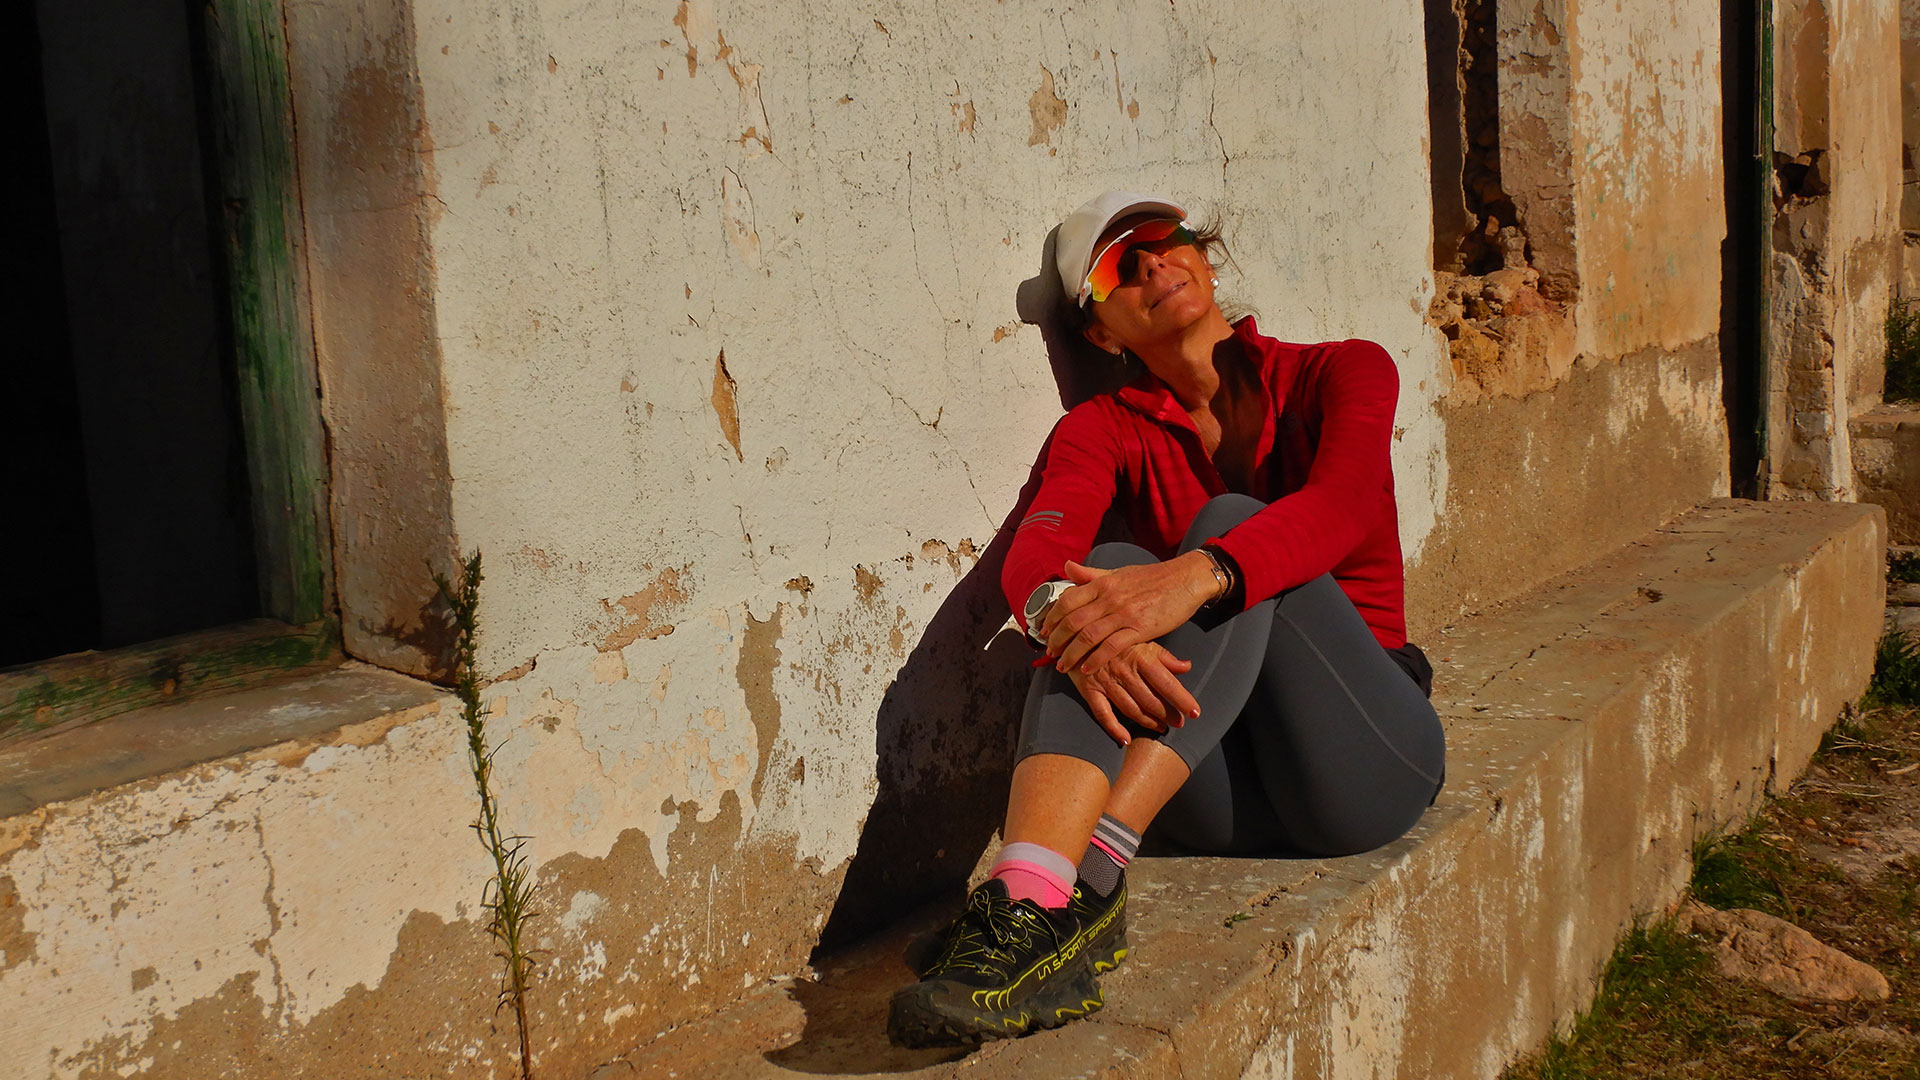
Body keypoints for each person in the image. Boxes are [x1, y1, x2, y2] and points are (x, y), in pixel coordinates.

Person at [885, 192, 1447, 1048]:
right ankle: (1039, 901)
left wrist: (1197, 576)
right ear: (1102, 332)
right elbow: (1034, 554)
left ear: (1203, 257)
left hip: (1367, 761)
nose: (1152, 262)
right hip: (1206, 788)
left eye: (1164, 239)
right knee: (1099, 578)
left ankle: (1090, 875)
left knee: (1225, 522)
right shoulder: (1100, 429)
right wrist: (1058, 609)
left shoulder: (1343, 370)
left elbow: (1337, 507)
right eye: (1119, 266)